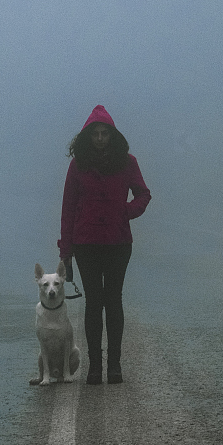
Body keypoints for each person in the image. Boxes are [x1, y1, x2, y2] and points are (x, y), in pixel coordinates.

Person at [58, 104, 150, 384]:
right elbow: (68, 207)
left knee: (113, 301)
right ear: (88, 136)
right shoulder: (78, 165)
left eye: (104, 133)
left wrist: (126, 211)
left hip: (118, 242)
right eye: (95, 134)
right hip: (86, 243)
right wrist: (66, 251)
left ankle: (115, 365)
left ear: (112, 135)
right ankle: (95, 367)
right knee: (93, 303)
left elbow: (143, 195)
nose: (100, 138)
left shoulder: (128, 162)